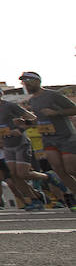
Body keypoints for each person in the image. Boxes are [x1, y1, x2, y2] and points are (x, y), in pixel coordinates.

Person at [22, 71, 76, 211]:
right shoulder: (32, 100)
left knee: (71, 168)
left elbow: (73, 109)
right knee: (58, 170)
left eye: (28, 80)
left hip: (66, 136)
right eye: (23, 81)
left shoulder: (53, 95)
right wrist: (27, 122)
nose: (26, 83)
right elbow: (40, 119)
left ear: (37, 81)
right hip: (48, 139)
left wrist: (56, 113)